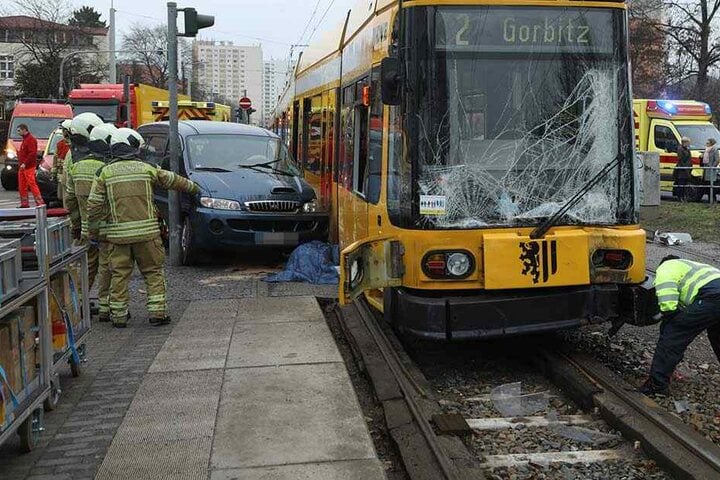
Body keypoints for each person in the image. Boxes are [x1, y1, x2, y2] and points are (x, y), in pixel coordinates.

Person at [86, 128, 200, 328]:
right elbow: (172, 179)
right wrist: (195, 188)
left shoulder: (104, 173)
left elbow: (94, 206)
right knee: (153, 272)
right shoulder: (146, 168)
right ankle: (157, 314)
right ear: (132, 148)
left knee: (119, 275)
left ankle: (119, 317)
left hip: (117, 237)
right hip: (147, 236)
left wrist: (94, 232)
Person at [640, 255, 720, 396]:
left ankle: (657, 385)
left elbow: (668, 304)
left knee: (673, 335)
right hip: (713, 295)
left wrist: (670, 323)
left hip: (712, 298)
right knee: (717, 336)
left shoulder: (666, 267)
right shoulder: (693, 266)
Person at [65, 122, 116, 322]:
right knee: (107, 268)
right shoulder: (108, 168)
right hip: (107, 230)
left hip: (86, 229)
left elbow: (70, 200)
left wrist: (76, 226)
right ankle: (105, 307)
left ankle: (77, 307)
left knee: (85, 268)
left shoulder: (77, 167)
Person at [15, 123, 44, 208]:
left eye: (19, 130)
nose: (18, 132)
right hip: (23, 166)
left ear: (24, 129)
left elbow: (32, 153)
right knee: (22, 185)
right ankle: (24, 203)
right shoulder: (26, 139)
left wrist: (25, 163)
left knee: (32, 184)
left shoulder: (30, 139)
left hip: (28, 167)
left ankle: (40, 203)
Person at [52, 119, 72, 204]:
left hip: (69, 175)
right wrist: (54, 173)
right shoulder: (60, 144)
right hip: (61, 175)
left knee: (67, 197)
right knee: (61, 196)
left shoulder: (74, 144)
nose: (62, 132)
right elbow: (55, 159)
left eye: (64, 130)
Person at [673, 137, 692, 201]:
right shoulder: (680, 149)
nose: (689, 144)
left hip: (687, 168)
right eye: (688, 142)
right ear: (685, 142)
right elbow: (680, 159)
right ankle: (680, 197)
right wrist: (685, 167)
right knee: (681, 183)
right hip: (682, 169)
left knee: (684, 184)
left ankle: (683, 196)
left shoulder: (686, 149)